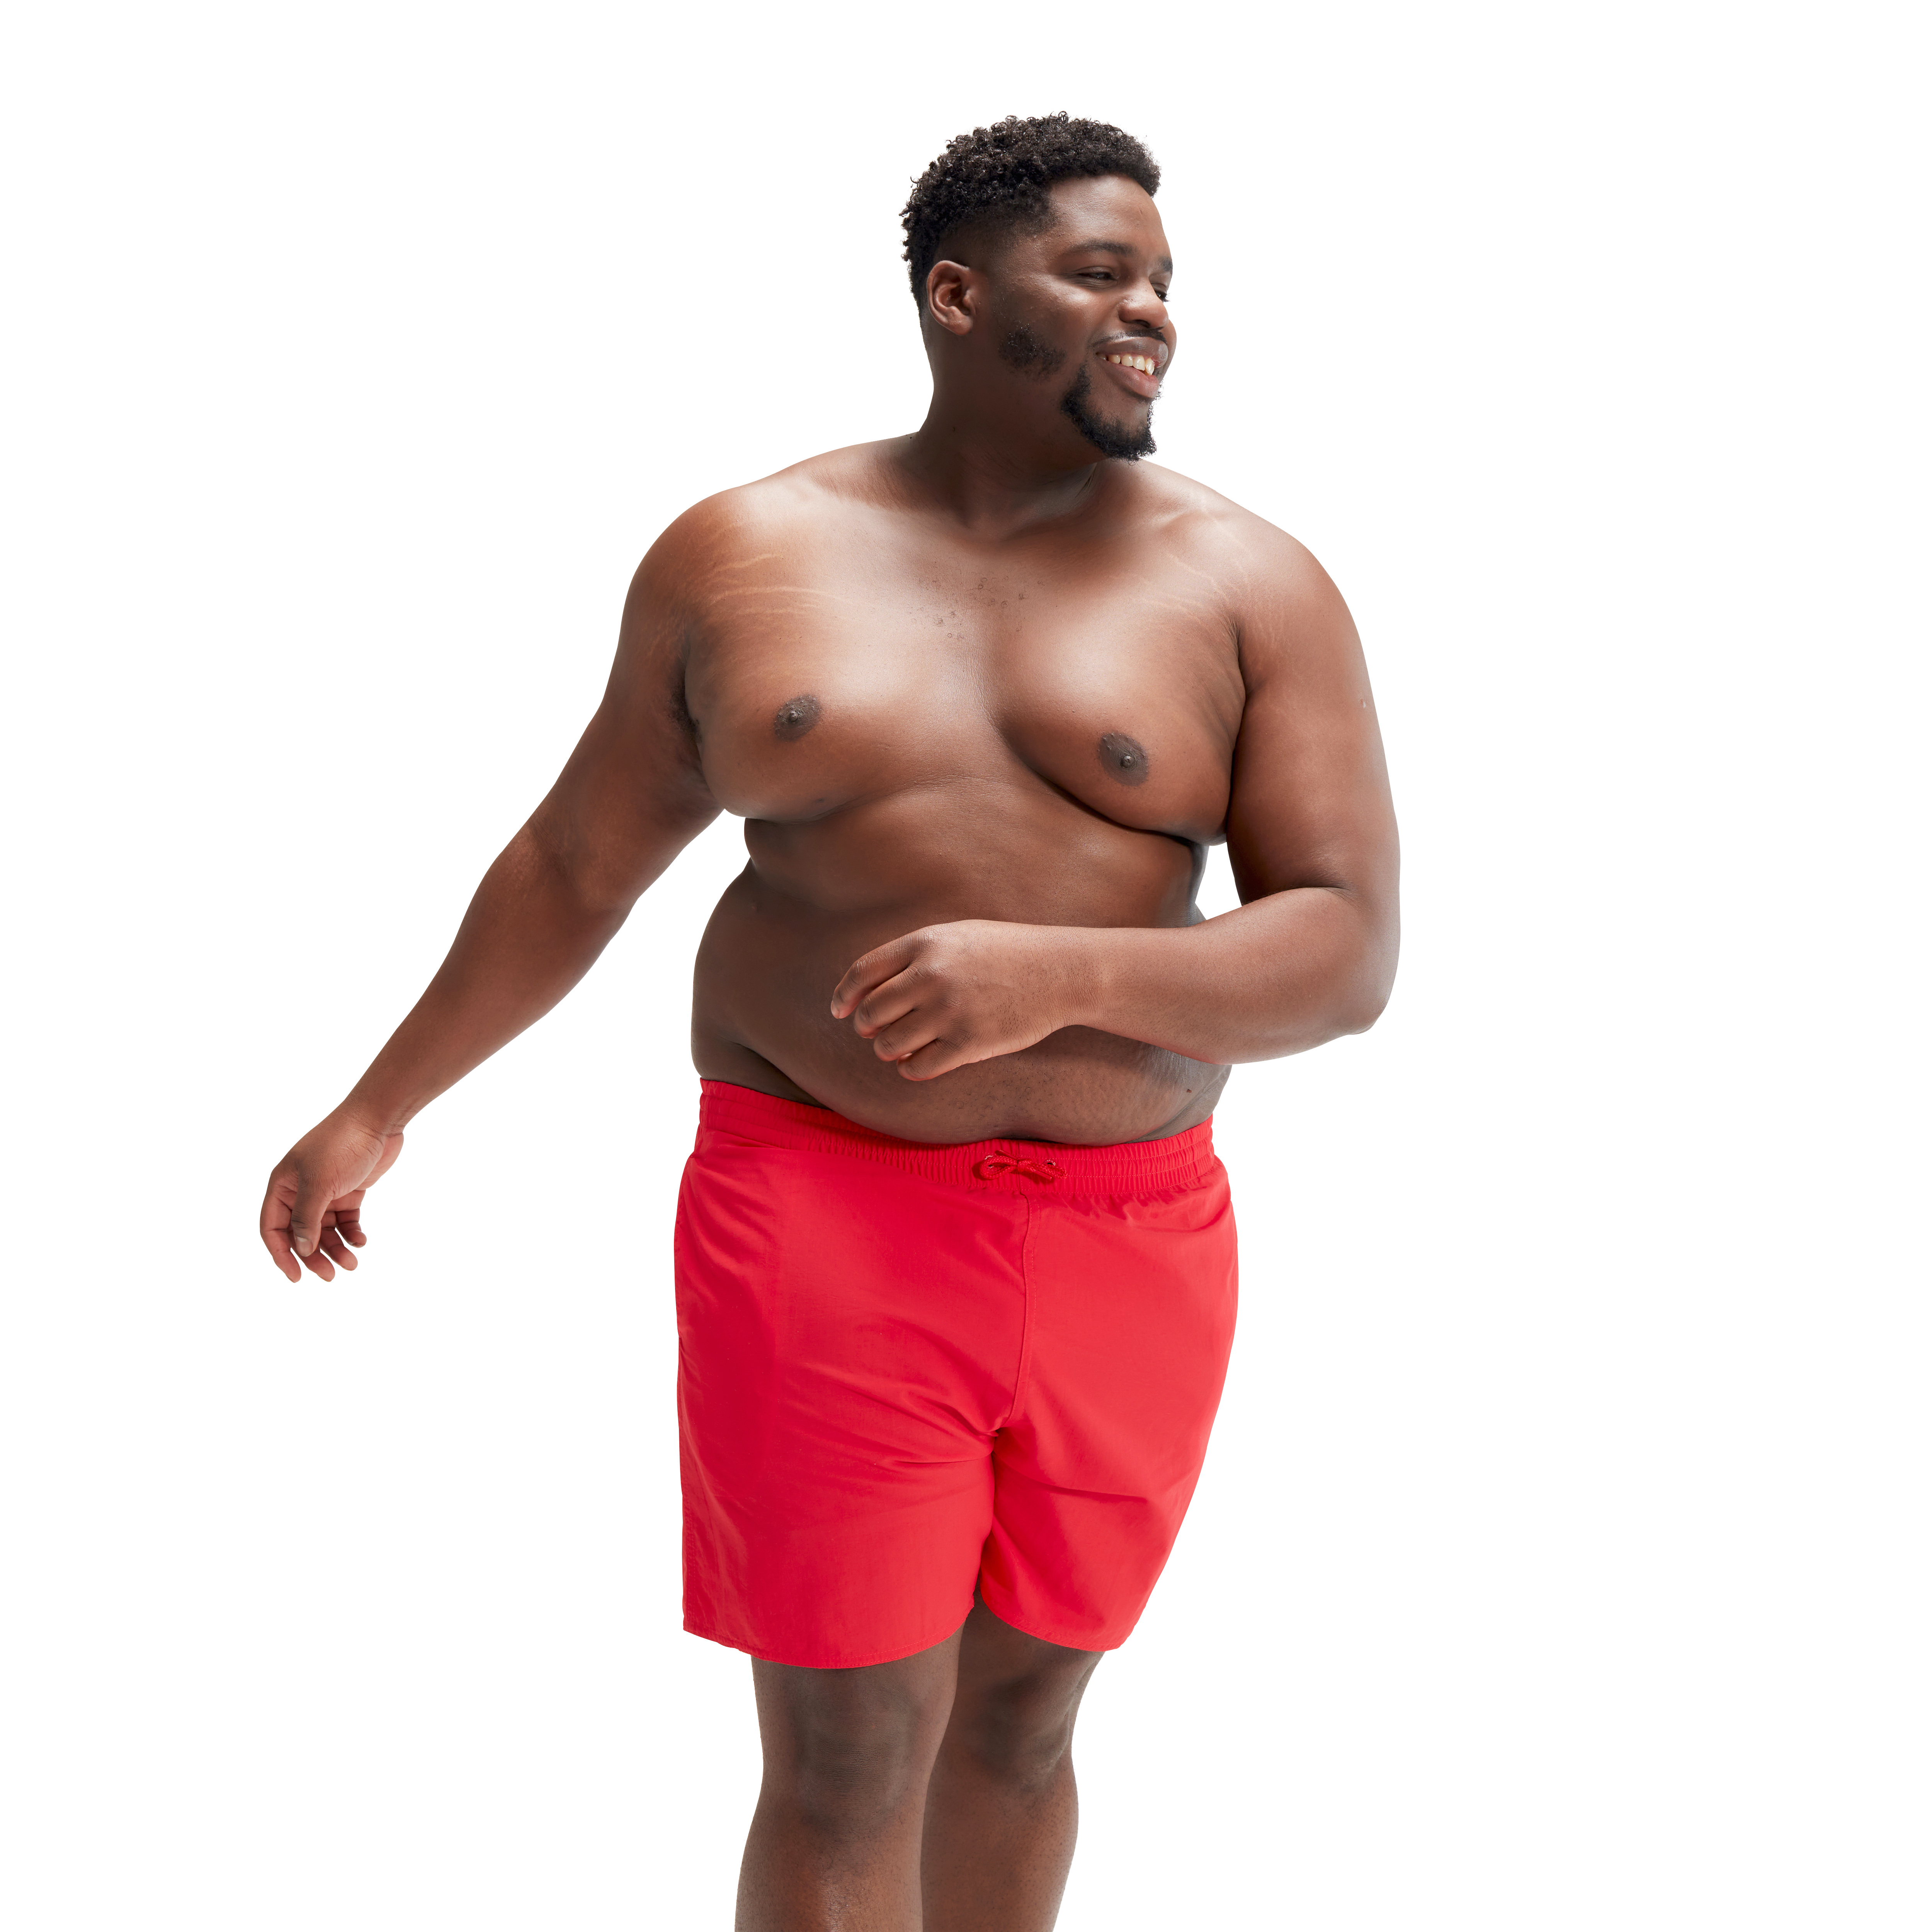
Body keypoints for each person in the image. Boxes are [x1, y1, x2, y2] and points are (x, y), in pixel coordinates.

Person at [259, 112, 1399, 1932]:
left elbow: (1341, 949)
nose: (1151, 312)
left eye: (1164, 281)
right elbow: (575, 861)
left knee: (1021, 1722)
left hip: (1133, 1233)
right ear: (956, 296)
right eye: (1098, 272)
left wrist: (1055, 974)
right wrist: (381, 1104)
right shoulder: (744, 552)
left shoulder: (1249, 583)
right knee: (847, 1750)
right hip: (823, 1209)